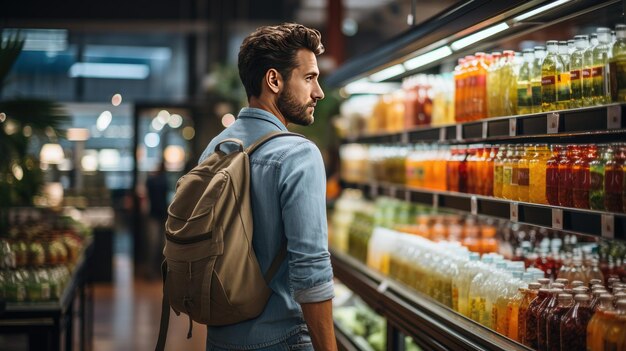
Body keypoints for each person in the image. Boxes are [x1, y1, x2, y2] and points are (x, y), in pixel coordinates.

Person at [198, 23, 336, 350]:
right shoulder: (298, 154)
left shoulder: (214, 148)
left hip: (219, 337)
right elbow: (311, 270)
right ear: (274, 80)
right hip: (281, 338)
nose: (319, 92)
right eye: (309, 78)